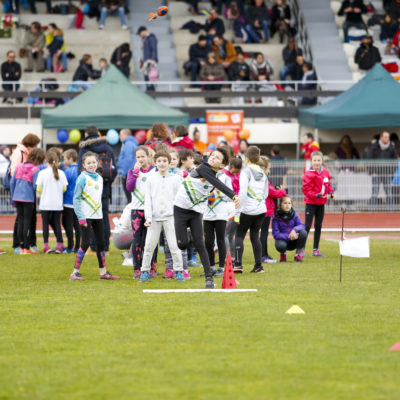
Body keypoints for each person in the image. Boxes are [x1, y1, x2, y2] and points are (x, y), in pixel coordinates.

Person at [174, 148, 240, 289]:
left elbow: (216, 184)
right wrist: (234, 196)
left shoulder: (216, 175)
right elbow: (217, 184)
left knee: (201, 244)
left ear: (222, 166)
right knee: (182, 244)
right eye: (212, 155)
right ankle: (190, 235)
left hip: (196, 212)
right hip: (180, 208)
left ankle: (209, 280)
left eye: (217, 158)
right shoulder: (203, 168)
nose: (212, 158)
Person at [70, 152, 120, 281]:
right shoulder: (82, 178)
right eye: (89, 163)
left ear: (97, 163)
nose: (92, 165)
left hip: (98, 216)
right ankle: (74, 273)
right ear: (84, 165)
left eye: (93, 162)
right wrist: (81, 217)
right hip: (85, 216)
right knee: (85, 243)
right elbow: (76, 199)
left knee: (101, 244)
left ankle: (103, 272)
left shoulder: (99, 178)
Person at [140, 151, 185, 282]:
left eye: (165, 161)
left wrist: (179, 217)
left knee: (174, 246)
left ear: (169, 162)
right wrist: (148, 218)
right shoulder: (150, 178)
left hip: (170, 217)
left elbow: (179, 199)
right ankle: (145, 271)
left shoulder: (176, 179)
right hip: (154, 218)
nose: (162, 163)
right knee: (149, 245)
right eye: (159, 161)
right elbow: (147, 200)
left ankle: (178, 271)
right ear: (155, 162)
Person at [78, 125, 117, 252]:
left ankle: (93, 246)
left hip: (88, 187)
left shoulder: (84, 148)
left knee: (89, 216)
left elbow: (80, 168)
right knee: (103, 216)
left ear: (86, 134)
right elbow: (113, 169)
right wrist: (107, 182)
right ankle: (104, 246)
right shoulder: (108, 148)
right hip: (104, 185)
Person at [234, 146, 269, 274]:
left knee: (239, 235)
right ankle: (258, 266)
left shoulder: (246, 172)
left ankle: (238, 265)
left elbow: (242, 192)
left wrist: (238, 208)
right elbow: (266, 193)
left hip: (247, 209)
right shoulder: (262, 173)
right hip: (261, 209)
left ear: (246, 158)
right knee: (255, 235)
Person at [125, 146, 156, 277]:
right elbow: (129, 188)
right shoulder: (133, 171)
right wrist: (135, 173)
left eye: (143, 156)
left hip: (152, 210)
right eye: (138, 157)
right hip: (137, 210)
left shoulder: (154, 171)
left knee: (151, 240)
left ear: (149, 156)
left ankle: (151, 267)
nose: (140, 159)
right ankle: (137, 269)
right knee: (137, 240)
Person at [9, 134, 41, 254]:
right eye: (35, 145)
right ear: (30, 144)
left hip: (18, 193)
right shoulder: (19, 153)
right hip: (25, 193)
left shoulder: (25, 154)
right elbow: (14, 171)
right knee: (24, 221)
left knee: (24, 220)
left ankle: (25, 245)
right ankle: (23, 246)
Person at [302, 151, 335, 257]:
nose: (316, 162)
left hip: (321, 204)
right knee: (307, 226)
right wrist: (317, 195)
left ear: (322, 161)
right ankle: (301, 249)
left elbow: (327, 185)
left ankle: (315, 250)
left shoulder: (325, 172)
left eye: (318, 160)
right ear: (311, 161)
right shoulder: (308, 173)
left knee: (318, 226)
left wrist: (331, 193)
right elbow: (306, 191)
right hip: (311, 203)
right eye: (314, 160)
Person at [203, 165, 233, 277]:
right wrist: (208, 194)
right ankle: (211, 267)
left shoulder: (226, 178)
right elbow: (200, 193)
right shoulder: (205, 176)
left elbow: (230, 196)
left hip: (221, 214)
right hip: (207, 214)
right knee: (208, 242)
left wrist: (219, 192)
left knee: (220, 240)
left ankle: (221, 267)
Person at [36, 151, 68, 254]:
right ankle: (59, 245)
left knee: (45, 225)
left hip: (45, 203)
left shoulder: (42, 173)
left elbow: (39, 189)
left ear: (46, 161)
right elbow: (64, 188)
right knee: (57, 224)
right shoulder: (61, 173)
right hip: (57, 204)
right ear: (58, 161)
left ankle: (46, 246)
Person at [258, 156, 287, 264]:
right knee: (263, 234)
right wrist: (283, 191)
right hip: (265, 210)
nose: (269, 170)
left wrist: (276, 187)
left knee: (262, 233)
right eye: (268, 168)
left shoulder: (260, 178)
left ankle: (263, 254)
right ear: (263, 168)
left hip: (264, 209)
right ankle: (263, 256)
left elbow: (271, 188)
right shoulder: (263, 178)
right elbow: (272, 192)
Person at [364, 131, 397, 210]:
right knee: (375, 192)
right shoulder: (374, 147)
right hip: (376, 173)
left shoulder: (391, 148)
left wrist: (391, 173)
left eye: (388, 137)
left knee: (389, 192)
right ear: (381, 137)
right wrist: (372, 172)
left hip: (387, 173)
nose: (387, 139)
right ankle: (372, 210)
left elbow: (394, 161)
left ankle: (391, 210)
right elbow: (369, 159)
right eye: (385, 137)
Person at [272, 196, 308, 262]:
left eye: (289, 203)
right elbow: (276, 234)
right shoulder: (276, 218)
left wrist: (294, 230)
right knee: (280, 246)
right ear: (280, 205)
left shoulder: (294, 215)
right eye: (285, 203)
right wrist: (290, 236)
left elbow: (302, 225)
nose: (287, 205)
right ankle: (283, 254)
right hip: (283, 242)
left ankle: (298, 255)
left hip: (294, 241)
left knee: (304, 233)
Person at [223, 156, 242, 261]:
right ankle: (233, 256)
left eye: (236, 172)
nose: (235, 174)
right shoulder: (223, 173)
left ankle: (228, 257)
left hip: (234, 209)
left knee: (226, 234)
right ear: (229, 166)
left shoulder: (240, 176)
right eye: (233, 171)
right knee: (229, 235)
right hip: (231, 208)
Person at [62, 149, 80, 254]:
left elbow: (64, 186)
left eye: (65, 158)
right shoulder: (81, 170)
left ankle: (69, 246)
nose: (64, 161)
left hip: (68, 201)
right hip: (78, 202)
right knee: (77, 226)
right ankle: (77, 247)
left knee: (68, 224)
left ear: (71, 159)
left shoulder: (69, 171)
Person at [118, 129, 138, 203]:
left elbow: (128, 159)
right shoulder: (132, 143)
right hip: (131, 172)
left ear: (125, 135)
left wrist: (124, 174)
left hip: (128, 173)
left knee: (129, 198)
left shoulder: (128, 144)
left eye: (120, 134)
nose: (119, 136)